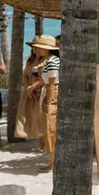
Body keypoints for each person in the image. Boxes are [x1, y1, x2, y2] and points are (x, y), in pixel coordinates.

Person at [15, 39, 48, 148]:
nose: (35, 49)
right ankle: (40, 142)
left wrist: (33, 87)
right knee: (32, 116)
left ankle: (45, 143)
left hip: (41, 91)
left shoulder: (46, 61)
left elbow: (46, 79)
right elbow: (25, 75)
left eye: (37, 47)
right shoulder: (29, 60)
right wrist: (27, 88)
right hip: (30, 91)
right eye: (33, 47)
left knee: (41, 117)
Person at [38, 35, 60, 173]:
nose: (38, 49)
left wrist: (48, 100)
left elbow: (51, 83)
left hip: (52, 93)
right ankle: (53, 162)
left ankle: (52, 164)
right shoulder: (53, 60)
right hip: (54, 92)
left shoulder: (51, 61)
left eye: (40, 47)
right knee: (52, 129)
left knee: (51, 129)